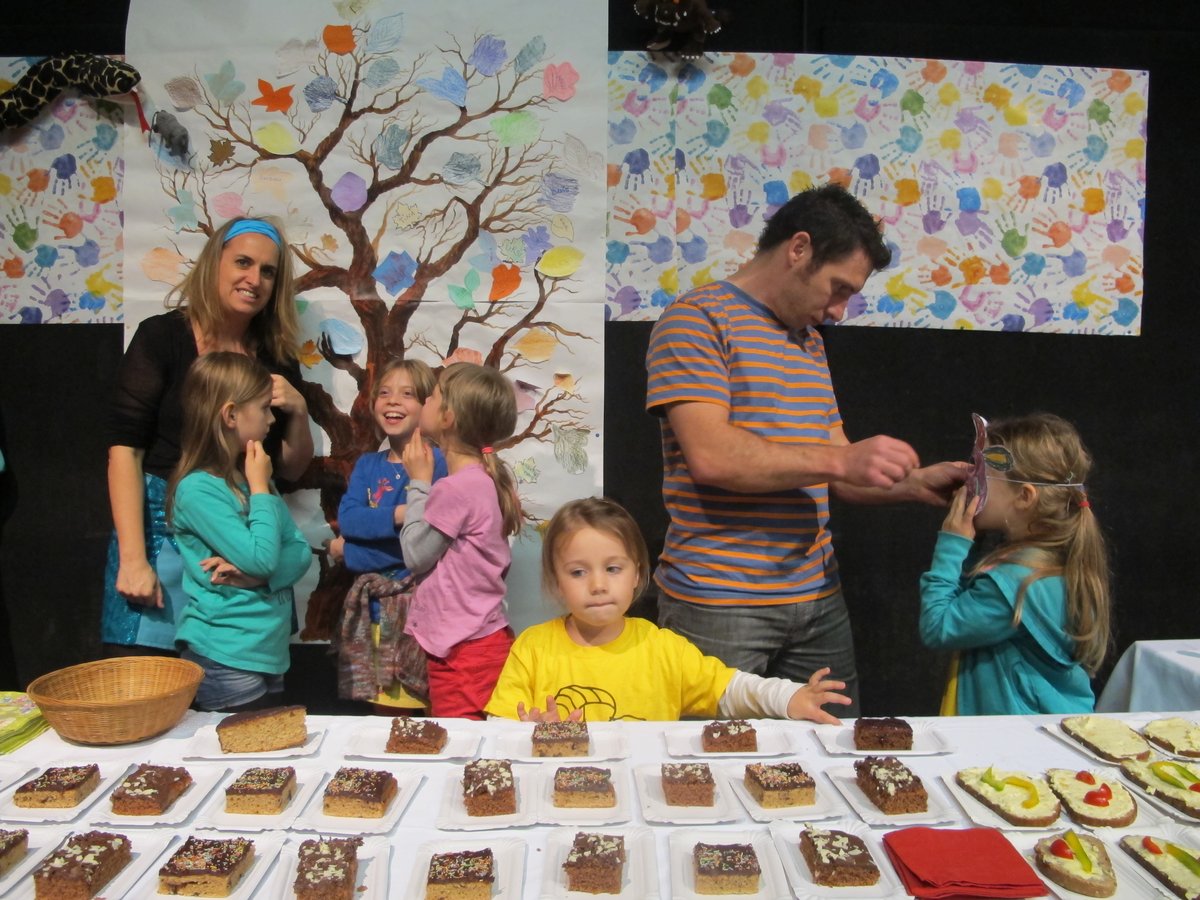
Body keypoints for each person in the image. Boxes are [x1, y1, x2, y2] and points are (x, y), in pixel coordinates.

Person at [644, 183, 966, 716]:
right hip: (720, 603)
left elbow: (838, 471)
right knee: (713, 755)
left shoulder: (809, 341)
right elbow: (712, 456)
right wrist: (843, 459)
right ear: (799, 249)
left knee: (838, 747)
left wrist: (913, 484)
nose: (839, 310)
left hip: (817, 599)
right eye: (838, 288)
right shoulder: (695, 320)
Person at [102, 216, 312, 656]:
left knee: (241, 680)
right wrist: (134, 559)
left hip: (244, 540)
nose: (254, 279)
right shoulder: (162, 337)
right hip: (162, 533)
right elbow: (125, 450)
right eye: (243, 262)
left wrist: (299, 412)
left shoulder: (275, 357)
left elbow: (291, 471)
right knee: (155, 680)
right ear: (215, 263)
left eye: (268, 271)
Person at [485, 497, 851, 723]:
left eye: (612, 568)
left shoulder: (662, 648)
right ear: (556, 581)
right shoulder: (533, 648)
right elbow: (500, 728)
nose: (597, 585)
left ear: (636, 575)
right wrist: (530, 735)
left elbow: (730, 689)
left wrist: (790, 697)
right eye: (578, 572)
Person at [919, 413, 1111, 715]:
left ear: (1024, 496)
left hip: (1014, 735)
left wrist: (952, 544)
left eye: (982, 476)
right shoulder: (1051, 562)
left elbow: (938, 626)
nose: (969, 483)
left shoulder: (1015, 584)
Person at [167, 353, 312, 711]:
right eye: (263, 409)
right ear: (231, 415)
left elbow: (300, 552)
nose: (271, 419)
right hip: (225, 653)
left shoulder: (251, 478)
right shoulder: (199, 490)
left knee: (270, 743)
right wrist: (261, 489)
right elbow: (261, 558)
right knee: (245, 744)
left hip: (267, 650)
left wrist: (259, 578)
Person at [399, 362, 522, 719]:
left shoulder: (456, 488)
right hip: (476, 643)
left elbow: (414, 554)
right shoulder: (484, 479)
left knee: (462, 742)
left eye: (433, 396)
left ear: (448, 417)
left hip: (464, 650)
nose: (425, 399)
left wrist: (418, 482)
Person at [330, 358, 447, 710]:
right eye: (384, 393)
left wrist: (350, 552)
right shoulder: (368, 464)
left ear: (428, 406)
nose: (393, 400)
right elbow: (349, 520)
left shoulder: (439, 463)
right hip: (375, 615)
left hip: (422, 614)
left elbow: (417, 551)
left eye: (407, 394)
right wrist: (402, 514)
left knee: (429, 709)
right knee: (386, 710)